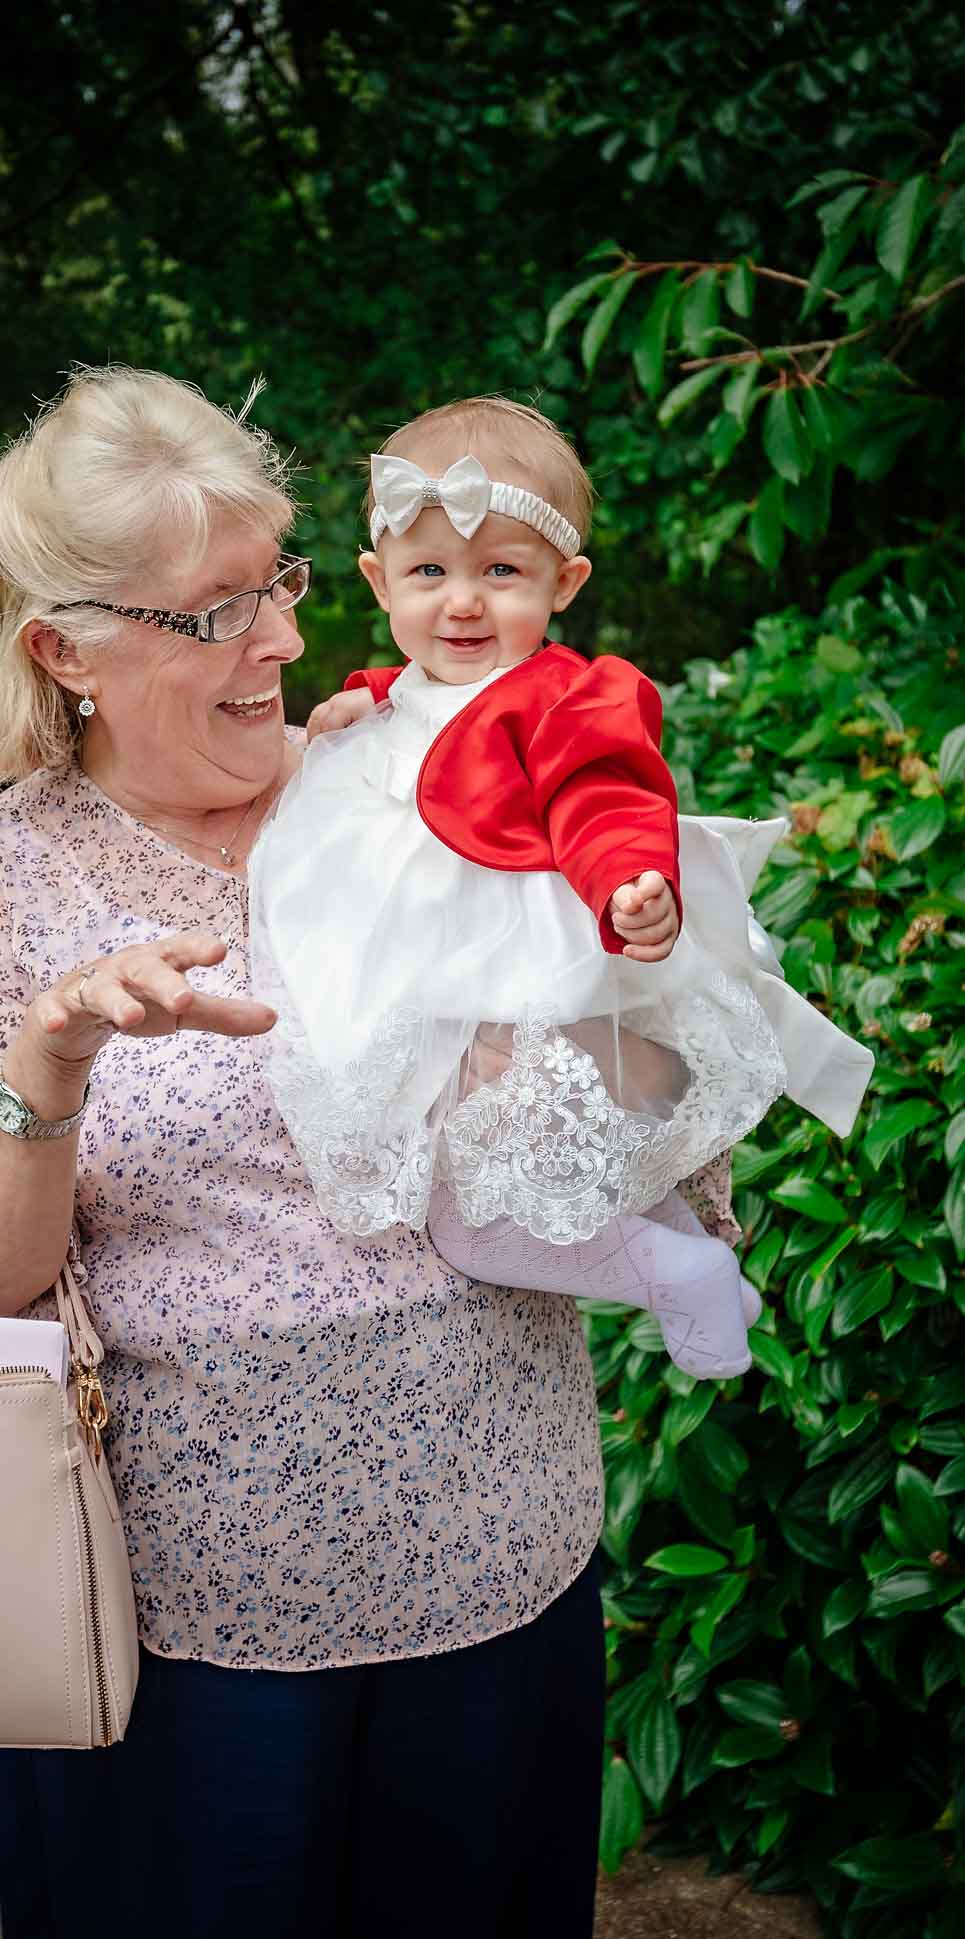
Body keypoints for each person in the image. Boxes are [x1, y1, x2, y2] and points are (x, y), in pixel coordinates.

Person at [0, 366, 733, 1939]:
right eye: (215, 612)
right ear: (61, 650)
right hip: (177, 1635)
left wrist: (619, 996)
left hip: (496, 1572)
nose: (281, 643)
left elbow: (662, 1115)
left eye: (279, 582)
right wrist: (48, 1056)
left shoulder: (420, 784)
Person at [248, 396, 873, 1381]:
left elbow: (606, 797)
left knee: (473, 1220)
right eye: (428, 572)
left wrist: (632, 879)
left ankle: (680, 1272)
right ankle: (694, 1269)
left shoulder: (570, 697)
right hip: (440, 978)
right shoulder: (403, 688)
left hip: (536, 981)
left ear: (563, 581)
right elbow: (422, 712)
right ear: (377, 580)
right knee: (566, 1180)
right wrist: (366, 698)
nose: (461, 602)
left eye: (500, 572)